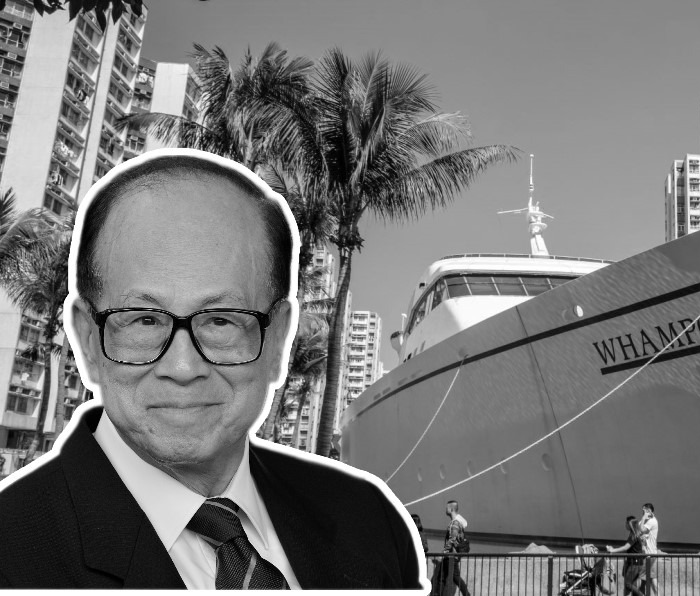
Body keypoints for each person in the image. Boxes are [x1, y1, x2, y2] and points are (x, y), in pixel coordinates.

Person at [0, 150, 426, 590]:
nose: (183, 368)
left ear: (277, 340)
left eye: (221, 321)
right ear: (88, 340)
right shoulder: (13, 557)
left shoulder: (370, 523)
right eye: (145, 320)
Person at [434, 500, 471, 596]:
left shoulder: (454, 523)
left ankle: (467, 594)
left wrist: (443, 553)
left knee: (455, 577)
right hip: (450, 556)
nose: (445, 510)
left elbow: (452, 539)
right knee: (441, 577)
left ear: (451, 509)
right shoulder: (456, 522)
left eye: (446, 508)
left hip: (451, 556)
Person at [606, 516, 645, 596]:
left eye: (626, 523)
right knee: (631, 584)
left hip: (635, 563)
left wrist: (613, 550)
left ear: (630, 524)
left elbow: (625, 547)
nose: (625, 525)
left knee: (628, 584)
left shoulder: (634, 535)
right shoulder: (635, 534)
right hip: (635, 562)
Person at [638, 503, 660, 595]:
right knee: (651, 578)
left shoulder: (652, 521)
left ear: (649, 511)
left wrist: (643, 518)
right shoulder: (645, 521)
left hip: (649, 554)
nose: (642, 512)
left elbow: (642, 530)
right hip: (647, 553)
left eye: (644, 510)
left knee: (641, 577)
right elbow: (638, 530)